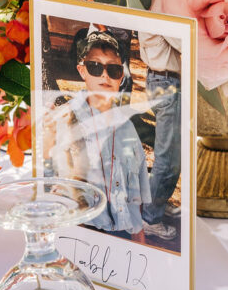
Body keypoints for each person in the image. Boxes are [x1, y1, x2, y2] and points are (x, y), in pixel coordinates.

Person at [45, 30, 151, 243]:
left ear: (121, 76)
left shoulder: (127, 126)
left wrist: (138, 235)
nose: (105, 76)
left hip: (123, 234)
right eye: (95, 67)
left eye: (113, 69)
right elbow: (51, 188)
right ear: (82, 71)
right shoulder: (63, 121)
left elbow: (137, 190)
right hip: (82, 235)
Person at [137, 30, 182, 242]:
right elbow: (185, 43)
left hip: (158, 80)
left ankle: (157, 205)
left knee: (168, 154)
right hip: (167, 83)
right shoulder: (158, 12)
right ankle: (151, 218)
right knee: (169, 157)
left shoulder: (146, 9)